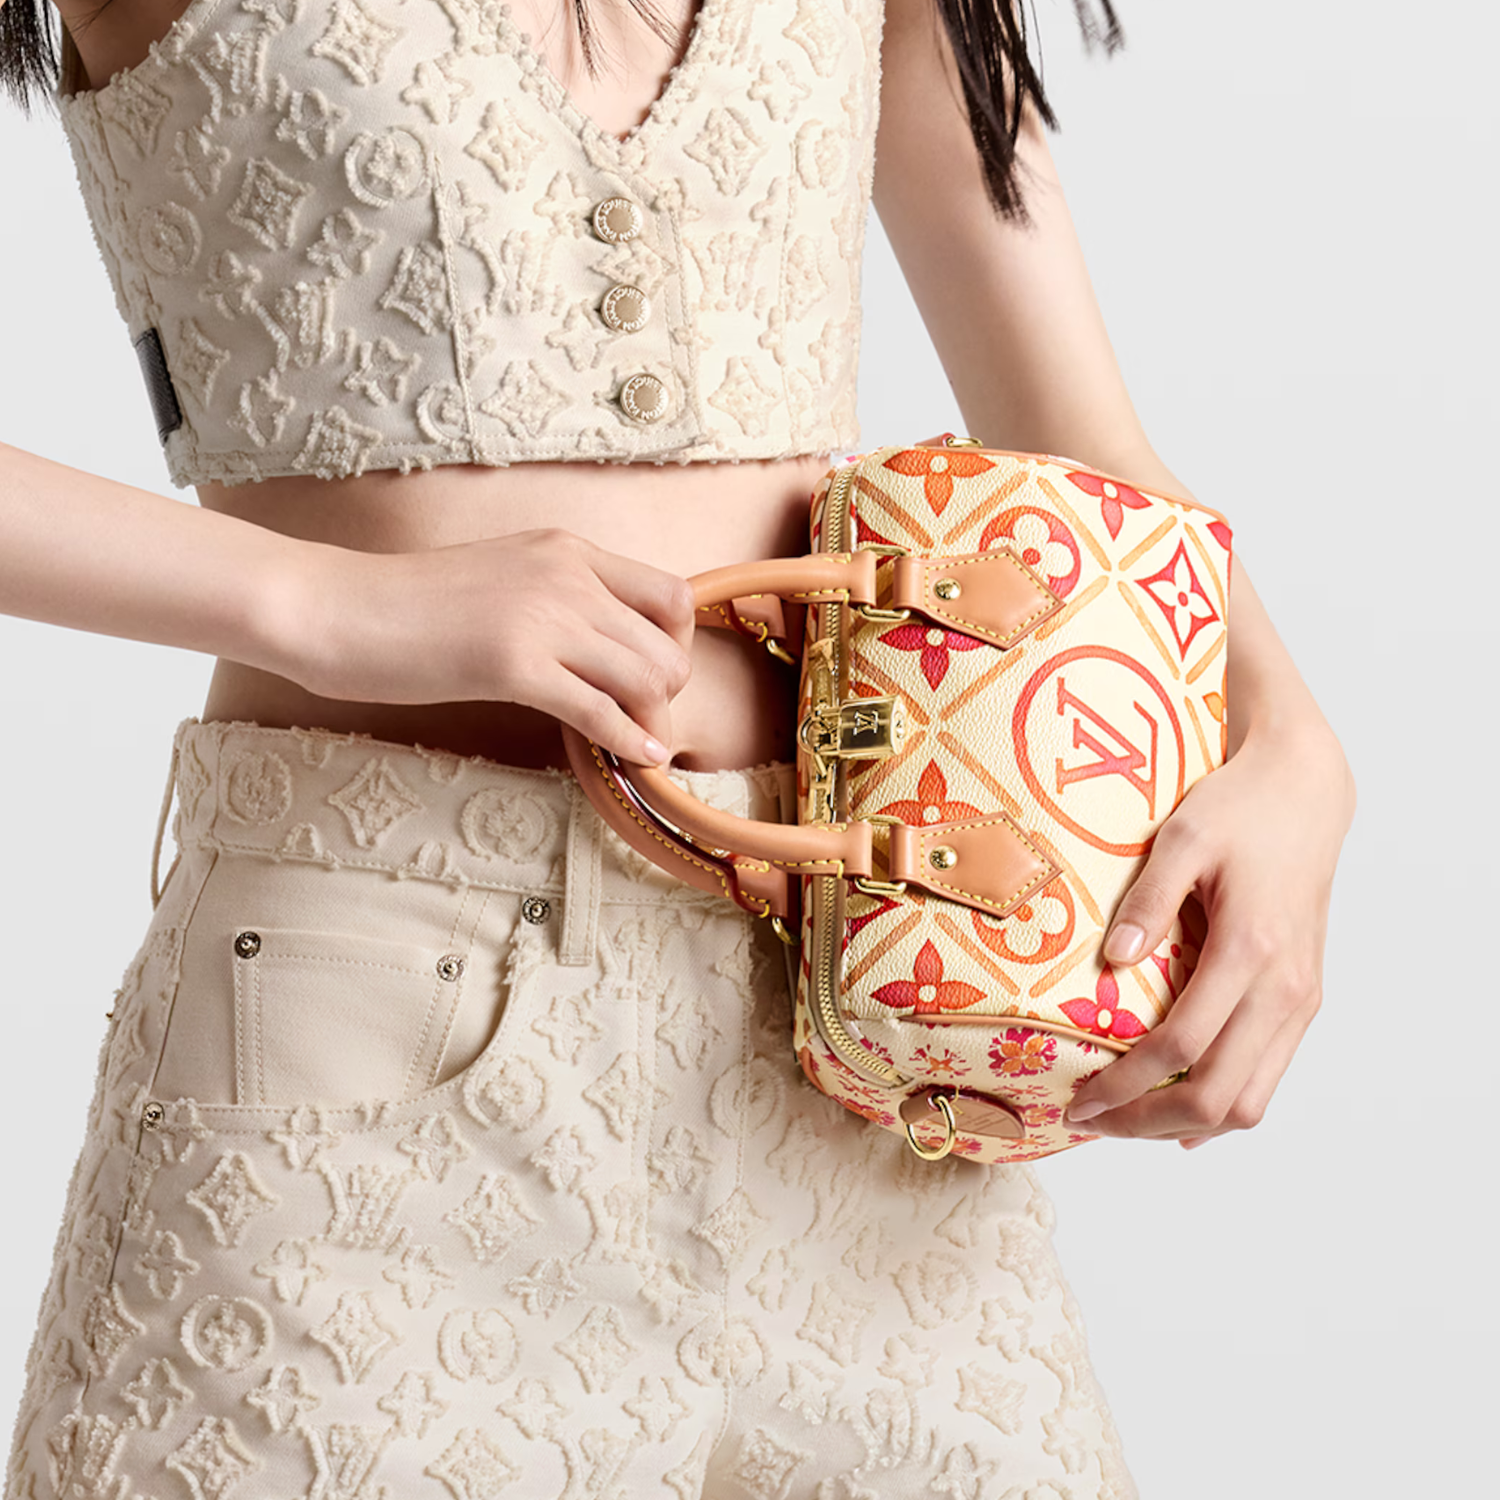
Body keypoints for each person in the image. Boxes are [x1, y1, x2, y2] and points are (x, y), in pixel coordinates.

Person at [0, 0, 1355, 1496]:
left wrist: (1295, 745)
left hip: (862, 1045)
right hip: (369, 1026)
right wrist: (325, 603)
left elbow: (1084, 450)